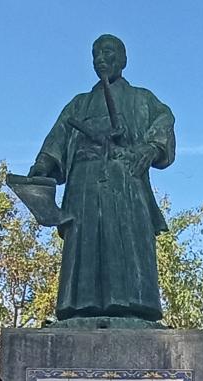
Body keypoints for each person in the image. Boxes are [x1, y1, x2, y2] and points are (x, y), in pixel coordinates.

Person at [25, 34, 175, 324]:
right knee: (84, 240)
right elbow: (57, 138)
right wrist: (42, 166)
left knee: (126, 240)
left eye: (108, 53)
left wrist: (150, 147)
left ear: (123, 60)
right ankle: (80, 305)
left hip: (125, 179)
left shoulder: (142, 99)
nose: (101, 59)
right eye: (96, 54)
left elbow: (164, 120)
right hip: (83, 182)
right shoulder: (79, 104)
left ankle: (134, 305)